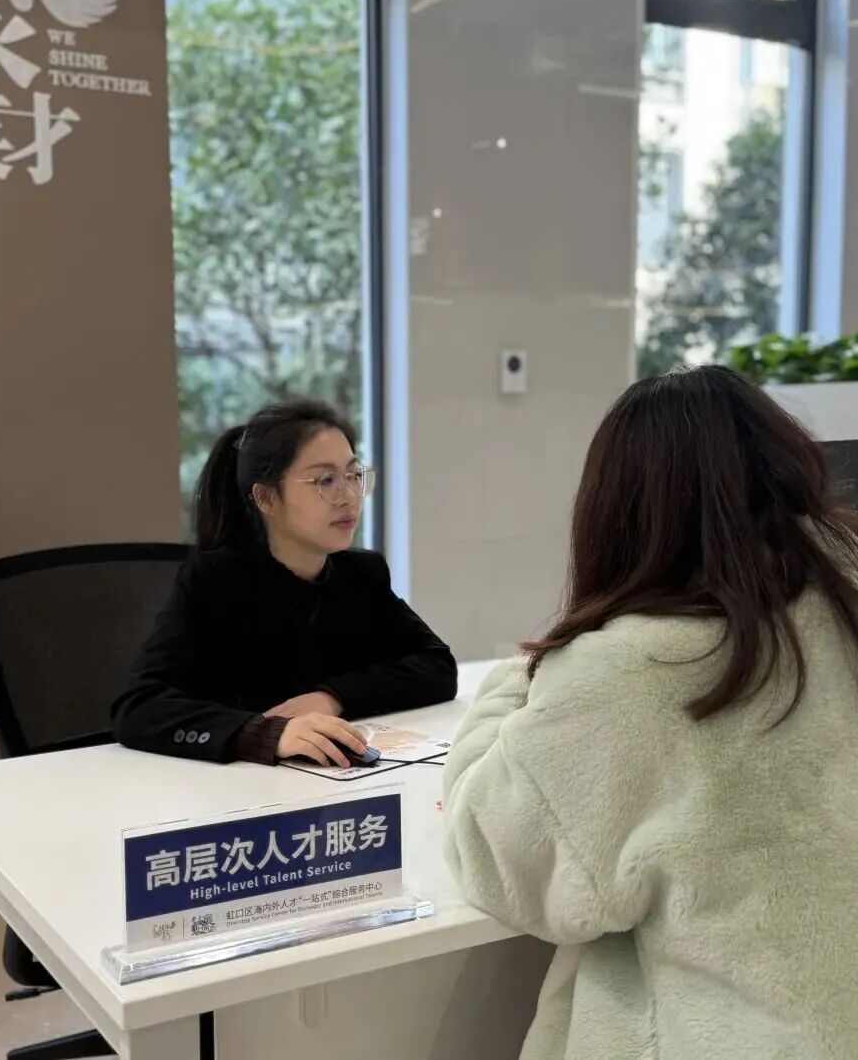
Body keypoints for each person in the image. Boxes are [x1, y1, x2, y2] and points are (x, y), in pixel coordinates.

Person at [444, 366, 858, 1060]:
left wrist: (516, 684)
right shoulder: (841, 608)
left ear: (620, 510)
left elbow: (496, 858)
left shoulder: (631, 672)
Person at [112, 399, 456, 767]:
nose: (348, 497)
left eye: (353, 475)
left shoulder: (362, 574)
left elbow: (437, 666)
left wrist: (333, 697)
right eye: (325, 480)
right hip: (234, 787)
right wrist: (263, 733)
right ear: (265, 498)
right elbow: (138, 706)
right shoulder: (215, 581)